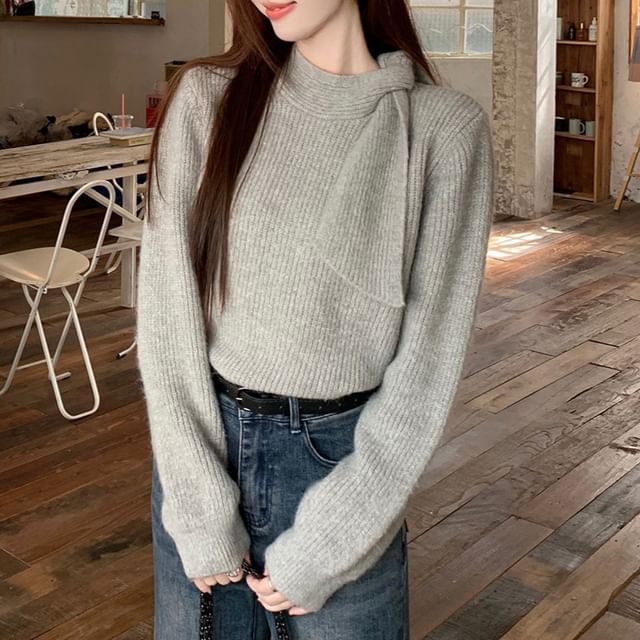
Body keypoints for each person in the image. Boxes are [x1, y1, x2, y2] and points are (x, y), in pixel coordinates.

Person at [135, 0, 495, 638]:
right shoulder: (208, 99)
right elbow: (166, 317)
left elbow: (427, 368)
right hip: (202, 455)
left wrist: (336, 537)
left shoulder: (443, 129)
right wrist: (196, 503)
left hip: (346, 473)